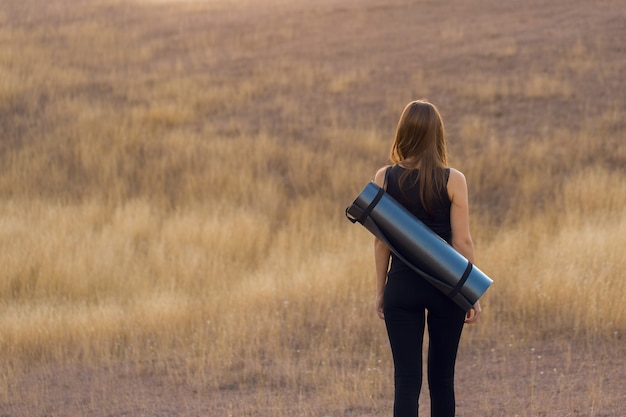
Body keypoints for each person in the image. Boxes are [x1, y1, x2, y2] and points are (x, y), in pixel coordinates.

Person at [373, 100, 481, 417]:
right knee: (442, 382)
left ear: (403, 132)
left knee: (405, 382)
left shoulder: (384, 178)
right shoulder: (453, 180)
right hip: (445, 287)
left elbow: (381, 244)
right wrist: (470, 292)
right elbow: (462, 240)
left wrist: (381, 291)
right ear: (438, 135)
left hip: (402, 287)